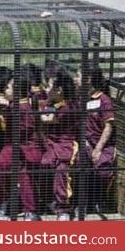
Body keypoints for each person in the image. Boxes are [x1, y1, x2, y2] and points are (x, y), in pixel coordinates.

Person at [0, 68, 42, 221]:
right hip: (19, 148)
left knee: (2, 164)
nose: (5, 89)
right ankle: (26, 210)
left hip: (23, 148)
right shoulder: (20, 105)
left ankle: (3, 205)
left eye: (8, 87)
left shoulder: (19, 108)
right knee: (8, 166)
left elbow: (20, 129)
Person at [40, 68, 79, 221]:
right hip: (50, 143)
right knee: (43, 163)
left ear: (59, 90)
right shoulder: (50, 102)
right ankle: (48, 200)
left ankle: (64, 207)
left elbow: (48, 119)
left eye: (49, 86)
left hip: (66, 144)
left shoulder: (68, 106)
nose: (46, 89)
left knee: (62, 169)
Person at [76, 66, 115, 214]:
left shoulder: (104, 100)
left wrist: (98, 148)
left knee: (103, 168)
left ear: (89, 79)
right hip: (85, 142)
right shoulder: (80, 98)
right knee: (81, 162)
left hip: (102, 144)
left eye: (78, 76)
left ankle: (99, 199)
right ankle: (83, 202)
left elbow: (108, 126)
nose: (76, 79)